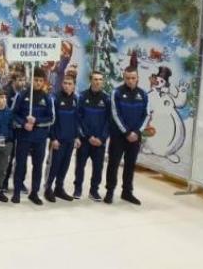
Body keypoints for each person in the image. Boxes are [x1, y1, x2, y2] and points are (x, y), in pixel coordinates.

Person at [11, 67, 56, 205]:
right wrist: (23, 123)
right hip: (24, 136)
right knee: (20, 164)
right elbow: (13, 114)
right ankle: (16, 192)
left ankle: (34, 193)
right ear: (31, 80)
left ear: (44, 82)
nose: (38, 83)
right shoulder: (22, 95)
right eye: (35, 80)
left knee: (38, 166)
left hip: (39, 138)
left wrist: (36, 121)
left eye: (40, 81)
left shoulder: (47, 98)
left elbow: (51, 118)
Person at [105, 66, 148, 205]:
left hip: (135, 137)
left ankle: (127, 192)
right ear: (124, 78)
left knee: (130, 165)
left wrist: (137, 132)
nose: (130, 80)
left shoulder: (143, 94)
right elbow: (115, 114)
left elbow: (146, 115)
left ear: (137, 78)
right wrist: (127, 132)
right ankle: (110, 191)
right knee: (113, 164)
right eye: (127, 78)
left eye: (133, 78)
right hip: (119, 136)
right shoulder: (116, 92)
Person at [74, 71, 112, 201]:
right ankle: (77, 189)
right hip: (85, 140)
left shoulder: (107, 99)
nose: (98, 82)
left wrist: (102, 138)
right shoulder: (82, 96)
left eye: (100, 79)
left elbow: (109, 121)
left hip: (100, 142)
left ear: (103, 82)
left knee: (98, 167)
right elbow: (78, 119)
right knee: (80, 166)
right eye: (95, 79)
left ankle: (94, 190)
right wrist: (88, 136)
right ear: (90, 80)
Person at [45, 75, 80, 203]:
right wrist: (53, 138)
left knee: (65, 165)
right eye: (65, 83)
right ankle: (48, 188)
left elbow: (77, 120)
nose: (67, 86)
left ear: (74, 85)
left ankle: (59, 188)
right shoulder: (54, 98)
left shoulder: (76, 99)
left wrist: (76, 136)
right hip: (57, 140)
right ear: (61, 84)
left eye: (70, 83)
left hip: (70, 140)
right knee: (53, 166)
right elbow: (51, 120)